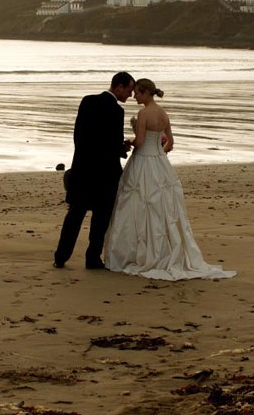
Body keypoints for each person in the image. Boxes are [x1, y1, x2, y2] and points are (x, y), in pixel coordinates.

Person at [105, 78, 236, 281]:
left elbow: (140, 141)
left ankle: (134, 254)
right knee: (161, 206)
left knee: (137, 204)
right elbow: (170, 143)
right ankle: (163, 251)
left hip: (143, 162)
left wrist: (129, 142)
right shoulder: (163, 113)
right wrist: (159, 153)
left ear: (146, 93)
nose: (134, 97)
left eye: (137, 93)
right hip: (159, 163)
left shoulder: (143, 114)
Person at [54, 71, 136, 269]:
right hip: (105, 174)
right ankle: (92, 258)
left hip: (83, 168)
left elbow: (79, 135)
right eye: (129, 90)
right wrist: (122, 148)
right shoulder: (117, 111)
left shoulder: (87, 101)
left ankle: (61, 257)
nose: (130, 95)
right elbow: (111, 143)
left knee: (74, 215)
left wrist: (83, 158)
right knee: (100, 219)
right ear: (119, 87)